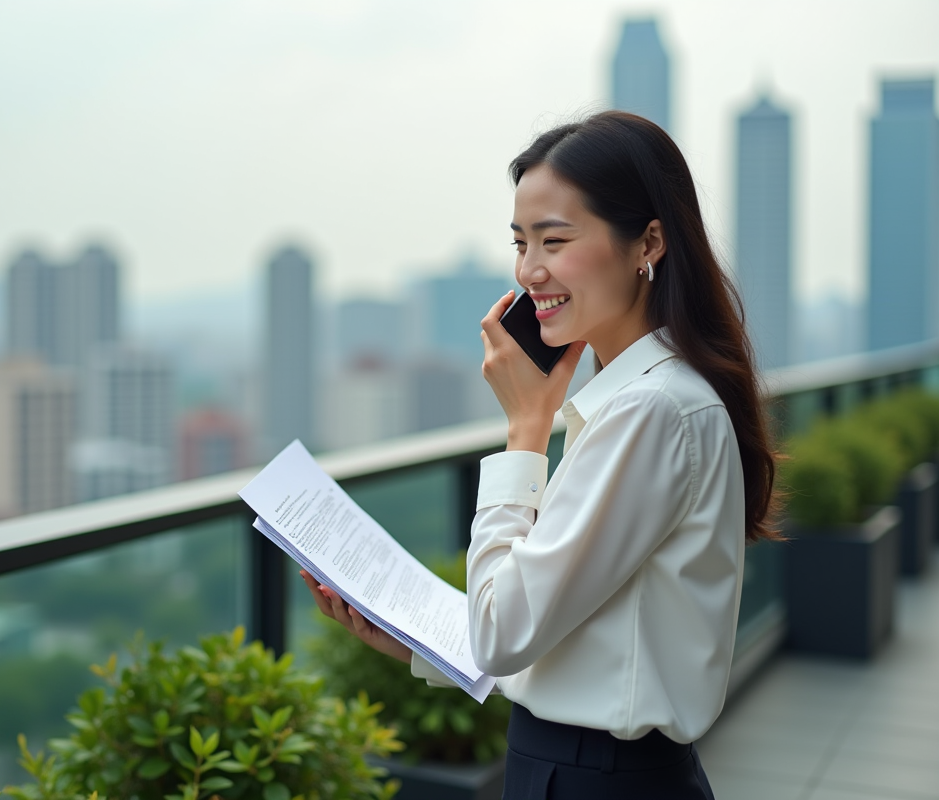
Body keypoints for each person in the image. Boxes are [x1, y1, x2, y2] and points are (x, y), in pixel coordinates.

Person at [301, 110, 779, 799]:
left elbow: (507, 631)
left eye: (554, 240)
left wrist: (527, 426)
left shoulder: (652, 410)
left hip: (599, 779)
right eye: (521, 242)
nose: (529, 271)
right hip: (579, 768)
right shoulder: (640, 400)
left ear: (648, 241)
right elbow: (567, 631)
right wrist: (419, 646)